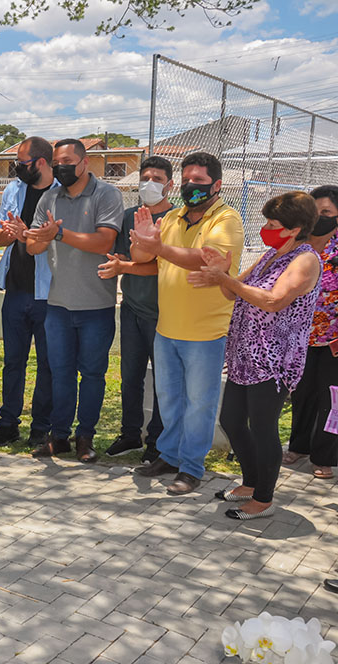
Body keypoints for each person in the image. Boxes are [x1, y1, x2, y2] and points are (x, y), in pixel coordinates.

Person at [189, 192, 321, 519]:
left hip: (275, 361)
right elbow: (232, 292)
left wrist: (225, 279)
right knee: (232, 420)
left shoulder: (305, 260)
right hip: (245, 356)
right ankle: (250, 482)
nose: (266, 229)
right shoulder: (271, 255)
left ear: (295, 229)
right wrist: (222, 274)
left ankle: (263, 500)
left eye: (273, 224)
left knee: (263, 428)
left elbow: (274, 301)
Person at [130, 152, 244, 495]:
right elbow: (142, 257)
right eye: (186, 180)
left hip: (205, 333)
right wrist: (144, 242)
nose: (191, 186)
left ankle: (191, 468)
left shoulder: (227, 219)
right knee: (169, 400)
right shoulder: (172, 217)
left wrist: (159, 247)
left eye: (199, 181)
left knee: (199, 404)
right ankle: (169, 456)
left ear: (217, 185)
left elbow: (203, 258)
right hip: (167, 329)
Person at [25, 139, 123, 463]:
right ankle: (60, 436)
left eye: (67, 161)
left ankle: (85, 438)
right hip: (58, 305)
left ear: (84, 162)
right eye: (56, 162)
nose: (60, 167)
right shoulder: (49, 198)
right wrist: (33, 237)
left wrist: (59, 234)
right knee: (61, 373)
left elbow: (104, 241)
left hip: (96, 306)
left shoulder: (106, 195)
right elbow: (33, 247)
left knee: (92, 375)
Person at [96, 157, 174, 462]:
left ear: (170, 185)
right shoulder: (129, 216)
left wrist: (125, 266)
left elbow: (161, 265)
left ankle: (157, 441)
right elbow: (119, 257)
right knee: (130, 376)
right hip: (131, 308)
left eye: (157, 179)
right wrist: (122, 264)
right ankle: (130, 434)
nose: (149, 184)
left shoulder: (175, 220)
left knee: (163, 381)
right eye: (145, 178)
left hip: (163, 313)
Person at [0, 136, 58, 448]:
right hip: (15, 290)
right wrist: (9, 233)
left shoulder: (62, 194)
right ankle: (8, 424)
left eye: (22, 162)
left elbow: (59, 240)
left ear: (40, 163)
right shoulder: (14, 189)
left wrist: (27, 234)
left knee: (47, 364)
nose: (17, 168)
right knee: (13, 361)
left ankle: (41, 427)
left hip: (49, 292)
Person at [284, 185, 338, 479]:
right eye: (315, 212)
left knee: (332, 398)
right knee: (301, 393)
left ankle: (324, 456)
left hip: (334, 341)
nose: (319, 217)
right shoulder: (298, 246)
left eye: (326, 212)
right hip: (300, 336)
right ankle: (298, 446)